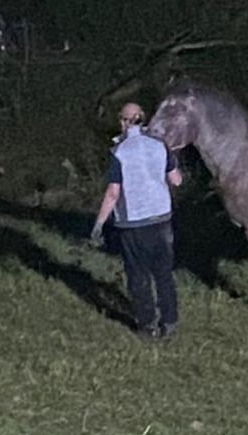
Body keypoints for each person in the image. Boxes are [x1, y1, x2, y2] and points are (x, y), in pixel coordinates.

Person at [91, 102, 183, 340]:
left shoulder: (119, 152)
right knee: (163, 274)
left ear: (124, 121)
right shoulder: (160, 145)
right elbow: (176, 180)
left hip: (133, 224)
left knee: (138, 276)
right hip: (161, 219)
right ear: (144, 119)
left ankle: (148, 326)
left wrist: (99, 223)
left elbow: (113, 193)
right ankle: (170, 322)